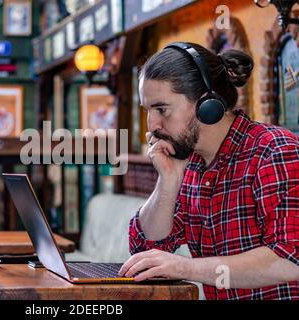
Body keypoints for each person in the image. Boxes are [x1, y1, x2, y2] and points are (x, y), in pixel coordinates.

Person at [117, 42, 299, 300]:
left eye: (161, 109)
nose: (152, 125)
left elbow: (290, 258)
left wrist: (184, 267)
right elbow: (146, 247)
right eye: (148, 111)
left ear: (207, 104)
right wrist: (168, 182)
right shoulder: (188, 161)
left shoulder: (274, 151)